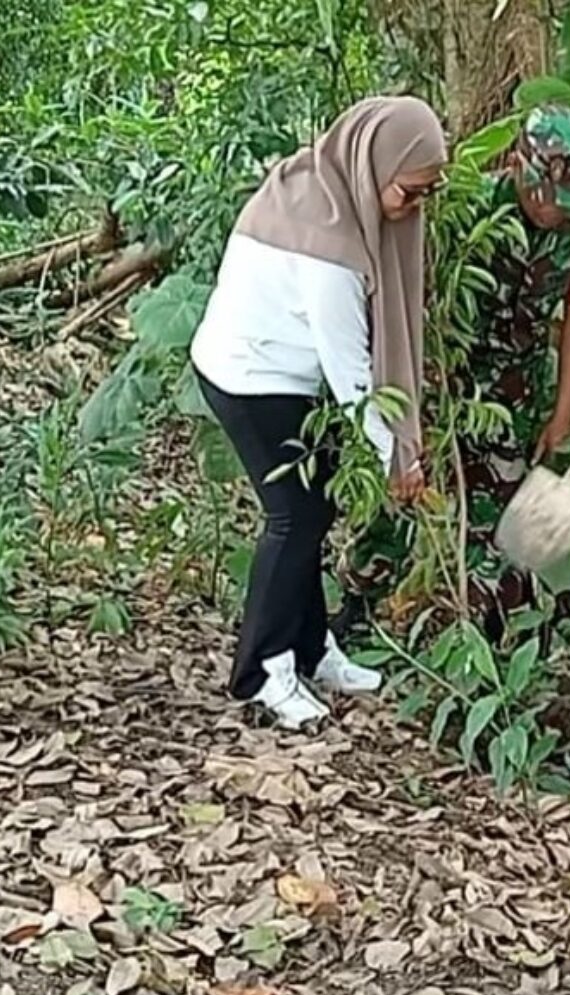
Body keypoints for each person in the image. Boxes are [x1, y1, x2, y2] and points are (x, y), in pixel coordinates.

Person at [189, 96, 447, 730]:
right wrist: (396, 457)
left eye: (427, 193)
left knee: (314, 509)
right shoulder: (329, 247)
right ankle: (262, 671)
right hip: (249, 377)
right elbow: (350, 373)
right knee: (295, 516)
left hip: (284, 374)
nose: (414, 208)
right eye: (409, 191)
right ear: (373, 164)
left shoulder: (324, 184)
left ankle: (311, 648)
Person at [340, 104, 570, 631]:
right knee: (403, 497)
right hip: (444, 379)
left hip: (515, 393)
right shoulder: (468, 209)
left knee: (501, 515)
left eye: (563, 198)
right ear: (517, 165)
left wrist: (563, 414)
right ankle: (357, 602)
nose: (552, 209)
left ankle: (485, 632)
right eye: (542, 194)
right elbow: (411, 297)